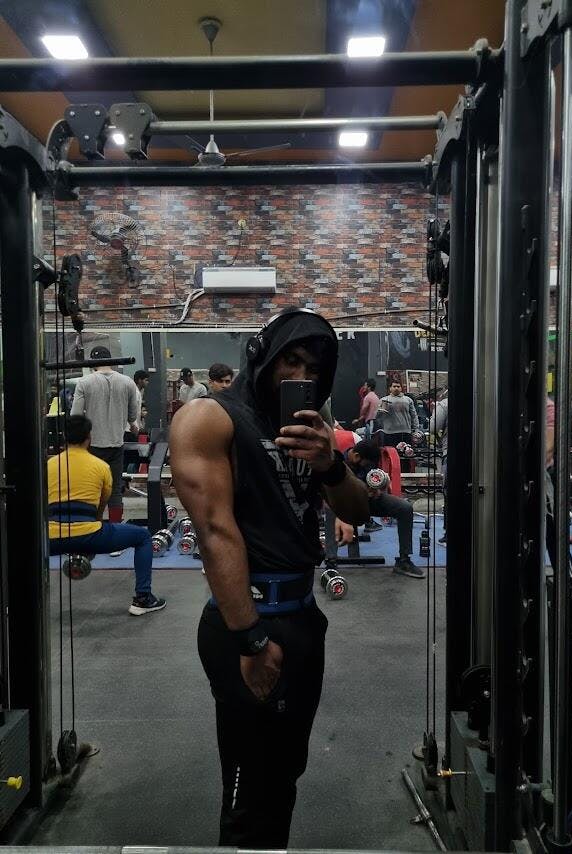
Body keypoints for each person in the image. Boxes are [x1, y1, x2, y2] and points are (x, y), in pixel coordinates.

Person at [170, 306, 369, 848]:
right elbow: (215, 531)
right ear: (263, 356)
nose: (301, 377)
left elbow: (357, 509)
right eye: (291, 361)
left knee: (284, 773)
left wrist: (331, 464)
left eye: (314, 370)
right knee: (249, 789)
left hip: (303, 617)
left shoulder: (310, 428)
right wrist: (252, 640)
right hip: (250, 623)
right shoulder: (210, 418)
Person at [47, 415, 165, 615]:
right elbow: (101, 506)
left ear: (64, 437)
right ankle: (143, 599)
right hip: (89, 534)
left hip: (53, 538)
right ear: (89, 437)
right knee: (143, 537)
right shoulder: (101, 467)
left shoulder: (49, 465)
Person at [324, 439, 423, 578]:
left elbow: (375, 481)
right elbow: (330, 493)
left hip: (368, 501)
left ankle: (404, 560)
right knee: (330, 508)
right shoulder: (337, 464)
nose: (368, 467)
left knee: (405, 508)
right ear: (356, 456)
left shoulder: (368, 461)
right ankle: (331, 561)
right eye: (366, 464)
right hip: (344, 504)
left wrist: (378, 489)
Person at [70, 346, 138, 524]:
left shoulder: (84, 383)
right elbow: (133, 416)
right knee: (115, 490)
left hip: (92, 446)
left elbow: (76, 416)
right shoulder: (128, 382)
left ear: (93, 362)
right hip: (117, 444)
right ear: (111, 360)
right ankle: (115, 529)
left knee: (91, 488)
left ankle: (92, 527)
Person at [429, 389, 448, 545]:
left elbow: (433, 427)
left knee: (450, 492)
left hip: (452, 453)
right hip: (481, 455)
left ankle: (450, 532)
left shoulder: (445, 404)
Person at [377, 380, 419, 447]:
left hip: (405, 432)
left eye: (398, 386)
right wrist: (380, 412)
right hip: (389, 433)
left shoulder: (408, 400)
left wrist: (416, 429)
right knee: (390, 452)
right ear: (390, 388)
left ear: (401, 388)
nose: (396, 388)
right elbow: (377, 416)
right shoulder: (383, 400)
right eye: (394, 386)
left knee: (406, 452)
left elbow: (414, 416)